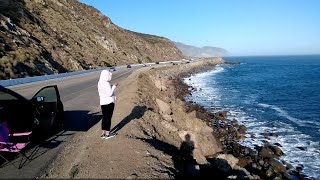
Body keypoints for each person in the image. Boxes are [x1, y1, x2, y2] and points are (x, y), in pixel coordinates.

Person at [98, 70, 118, 139]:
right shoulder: (106, 83)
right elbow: (109, 94)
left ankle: (103, 133)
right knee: (108, 118)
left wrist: (111, 86)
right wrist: (114, 86)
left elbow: (104, 91)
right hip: (109, 103)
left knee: (104, 118)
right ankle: (107, 134)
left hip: (103, 103)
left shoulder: (100, 82)